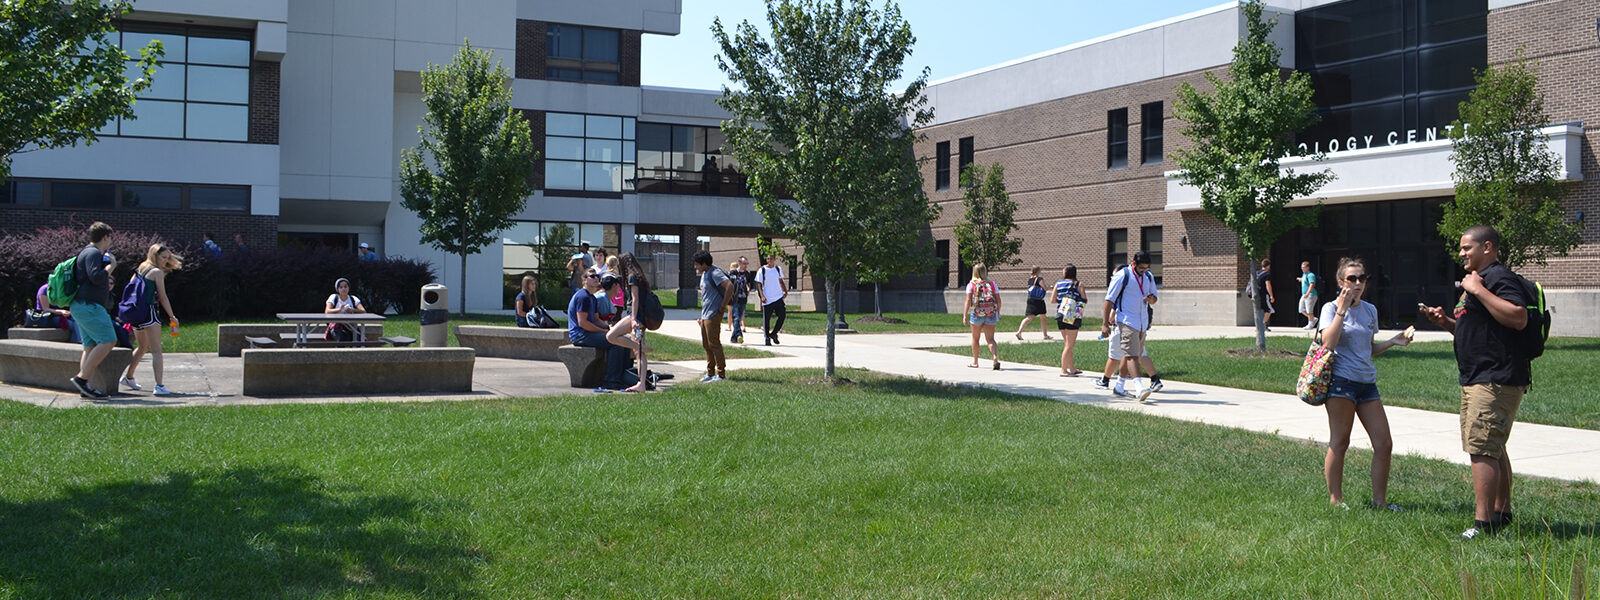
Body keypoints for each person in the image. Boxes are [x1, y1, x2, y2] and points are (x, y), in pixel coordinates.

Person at [1421, 225, 1533, 540]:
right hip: (1478, 376)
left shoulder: (1497, 278)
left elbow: (1518, 316)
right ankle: (1502, 512)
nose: (1461, 253)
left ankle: (1484, 524)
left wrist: (1478, 289)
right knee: (1492, 447)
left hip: (1495, 377)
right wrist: (1445, 322)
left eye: (1467, 248)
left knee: (1482, 449)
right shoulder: (1479, 282)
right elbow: (1476, 331)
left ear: (1488, 247)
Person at [1318, 257, 1411, 511]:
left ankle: (1380, 503)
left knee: (1384, 443)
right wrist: (1342, 309)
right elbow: (1328, 343)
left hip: (1367, 384)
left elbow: (1367, 348)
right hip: (1340, 383)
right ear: (1341, 282)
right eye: (1352, 279)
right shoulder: (1330, 308)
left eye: (1362, 278)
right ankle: (1336, 501)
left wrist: (1393, 341)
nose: (1358, 283)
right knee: (1340, 442)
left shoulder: (1370, 310)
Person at [120, 244, 183, 396]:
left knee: (142, 347)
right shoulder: (156, 272)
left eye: (168, 258)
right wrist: (172, 316)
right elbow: (162, 297)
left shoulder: (141, 267)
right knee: (157, 351)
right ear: (154, 255)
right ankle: (159, 386)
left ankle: (128, 377)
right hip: (149, 312)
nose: (166, 261)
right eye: (163, 257)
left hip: (136, 313)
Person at [66, 222, 118, 399]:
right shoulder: (93, 252)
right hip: (89, 306)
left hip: (82, 306)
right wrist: (111, 267)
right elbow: (95, 276)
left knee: (89, 346)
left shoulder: (88, 252)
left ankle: (85, 387)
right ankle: (82, 379)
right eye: (110, 238)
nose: (111, 241)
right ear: (105, 237)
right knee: (109, 340)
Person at [1100, 251, 1159, 402]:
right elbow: (1109, 300)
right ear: (1133, 263)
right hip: (1126, 320)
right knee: (1132, 355)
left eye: (1146, 268)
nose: (1143, 271)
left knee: (1130, 354)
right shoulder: (1123, 275)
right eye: (1141, 268)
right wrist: (1105, 324)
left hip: (1142, 323)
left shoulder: (1148, 277)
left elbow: (1154, 299)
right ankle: (1139, 389)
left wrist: (1151, 299)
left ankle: (1119, 386)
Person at [568, 267, 631, 390]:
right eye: (592, 276)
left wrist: (610, 328)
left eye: (597, 276)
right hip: (580, 335)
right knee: (616, 343)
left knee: (623, 340)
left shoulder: (592, 297)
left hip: (588, 333)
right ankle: (611, 380)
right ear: (584, 280)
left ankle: (623, 377)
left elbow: (596, 319)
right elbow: (583, 323)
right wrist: (605, 332)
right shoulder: (583, 297)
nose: (596, 278)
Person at [606, 252, 654, 393]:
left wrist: (633, 319)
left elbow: (635, 299)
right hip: (641, 318)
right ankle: (642, 384)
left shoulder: (632, 277)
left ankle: (641, 348)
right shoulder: (640, 275)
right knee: (639, 353)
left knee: (611, 336)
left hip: (635, 318)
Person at [694, 250, 733, 382]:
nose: (696, 267)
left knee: (714, 343)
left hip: (713, 314)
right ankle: (710, 373)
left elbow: (729, 286)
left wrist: (722, 307)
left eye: (697, 264)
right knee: (707, 344)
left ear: (704, 263)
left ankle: (721, 374)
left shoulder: (715, 273)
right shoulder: (705, 274)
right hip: (705, 315)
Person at [962, 263, 1003, 370]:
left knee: (975, 338)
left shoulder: (971, 284)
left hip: (976, 314)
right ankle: (995, 356)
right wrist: (997, 311)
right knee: (990, 339)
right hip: (990, 314)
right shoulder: (992, 284)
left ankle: (975, 362)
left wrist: (965, 315)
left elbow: (968, 300)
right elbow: (998, 300)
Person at [1049, 265, 1084, 376]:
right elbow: (1084, 299)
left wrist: (1063, 300)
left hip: (1060, 314)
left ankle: (1072, 368)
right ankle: (1063, 370)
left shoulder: (1058, 284)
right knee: (1069, 345)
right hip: (1072, 316)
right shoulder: (1079, 284)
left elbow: (1052, 300)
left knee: (1067, 344)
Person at [754, 253, 788, 345]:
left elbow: (781, 281)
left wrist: (785, 291)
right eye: (768, 259)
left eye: (771, 259)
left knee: (782, 316)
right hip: (767, 298)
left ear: (775, 259)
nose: (769, 261)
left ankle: (773, 334)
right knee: (767, 319)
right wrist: (762, 296)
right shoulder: (762, 270)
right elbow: (759, 284)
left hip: (778, 296)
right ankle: (767, 337)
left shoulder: (778, 269)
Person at [1014, 265, 1054, 341]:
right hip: (1039, 300)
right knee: (1043, 318)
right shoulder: (1039, 279)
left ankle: (1019, 331)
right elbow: (1045, 288)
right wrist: (1051, 287)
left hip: (1030, 299)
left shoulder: (1030, 280)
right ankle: (1045, 335)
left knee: (1029, 318)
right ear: (1038, 271)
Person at [323, 277, 366, 342]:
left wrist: (352, 310)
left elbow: (363, 311)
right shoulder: (333, 297)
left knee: (357, 338)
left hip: (351, 326)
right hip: (336, 326)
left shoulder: (353, 298)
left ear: (348, 288)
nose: (343, 289)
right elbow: (327, 311)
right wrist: (339, 309)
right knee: (341, 338)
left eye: (345, 287)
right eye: (341, 287)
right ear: (337, 289)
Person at [725, 260, 750, 343]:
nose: (746, 265)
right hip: (734, 298)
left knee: (739, 318)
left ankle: (733, 338)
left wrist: (748, 288)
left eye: (747, 264)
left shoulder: (747, 274)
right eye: (744, 264)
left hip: (743, 298)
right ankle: (739, 335)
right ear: (739, 264)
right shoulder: (732, 273)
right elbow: (728, 283)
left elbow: (748, 283)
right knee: (736, 317)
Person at [1253, 258, 1276, 345]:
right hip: (1263, 295)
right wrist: (1271, 295)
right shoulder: (1267, 274)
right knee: (1269, 310)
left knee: (1261, 310)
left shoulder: (1257, 273)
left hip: (1256, 295)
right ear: (1268, 266)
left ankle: (1261, 325)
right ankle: (1261, 326)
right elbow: (1268, 284)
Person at [1298, 260, 1319, 329]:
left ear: (1308, 267)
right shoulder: (1304, 275)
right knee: (1301, 309)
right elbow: (1304, 280)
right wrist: (1300, 279)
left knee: (1309, 310)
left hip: (1311, 295)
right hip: (1304, 294)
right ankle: (1313, 319)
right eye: (1302, 267)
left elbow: (1312, 284)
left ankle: (1310, 324)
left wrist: (1308, 293)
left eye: (1304, 267)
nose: (1302, 269)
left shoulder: (1311, 275)